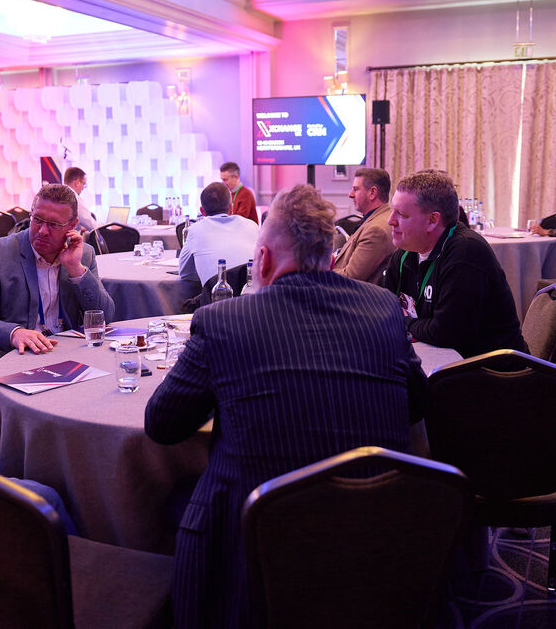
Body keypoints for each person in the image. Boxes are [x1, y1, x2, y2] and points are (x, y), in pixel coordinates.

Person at [146, 184, 425, 628]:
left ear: (261, 260)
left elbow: (162, 424)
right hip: (372, 524)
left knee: (173, 499)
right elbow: (416, 404)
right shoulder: (384, 309)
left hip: (256, 534)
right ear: (330, 260)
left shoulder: (223, 322)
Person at [0, 183, 115, 424]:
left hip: (63, 361)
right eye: (37, 220)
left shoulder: (83, 254)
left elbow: (105, 317)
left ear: (72, 226)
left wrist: (75, 269)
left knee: (96, 413)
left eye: (54, 225)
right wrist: (14, 333)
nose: (42, 231)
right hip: (6, 366)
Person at [383, 170, 526, 358]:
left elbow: (444, 333)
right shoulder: (404, 254)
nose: (390, 221)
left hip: (491, 367)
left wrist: (405, 321)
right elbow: (385, 313)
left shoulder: (466, 252)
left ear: (432, 220)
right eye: (392, 211)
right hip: (440, 357)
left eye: (401, 214)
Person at [178, 181, 259, 285]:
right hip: (252, 293)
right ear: (231, 208)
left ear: (202, 211)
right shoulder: (252, 226)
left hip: (216, 294)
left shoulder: (195, 230)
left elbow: (185, 273)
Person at [332, 167, 394, 283]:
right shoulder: (376, 219)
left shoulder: (376, 230)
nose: (350, 194)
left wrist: (315, 272)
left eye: (355, 189)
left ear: (372, 193)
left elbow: (350, 278)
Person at [63, 166, 97, 233]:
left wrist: (80, 227)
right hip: (70, 239)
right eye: (83, 184)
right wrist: (110, 227)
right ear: (77, 183)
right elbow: (93, 226)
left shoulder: (58, 194)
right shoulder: (75, 199)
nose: (83, 188)